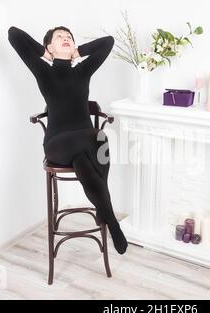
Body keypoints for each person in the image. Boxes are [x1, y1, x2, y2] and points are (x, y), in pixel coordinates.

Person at [8, 25, 127, 254]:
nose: (66, 38)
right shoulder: (43, 70)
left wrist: (79, 50)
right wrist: (45, 53)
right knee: (98, 137)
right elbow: (14, 34)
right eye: (59, 37)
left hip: (84, 148)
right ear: (49, 46)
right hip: (57, 145)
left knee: (84, 164)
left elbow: (108, 41)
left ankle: (104, 209)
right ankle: (111, 220)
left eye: (69, 37)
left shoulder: (83, 71)